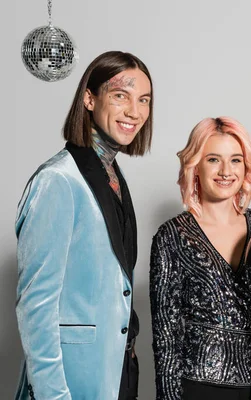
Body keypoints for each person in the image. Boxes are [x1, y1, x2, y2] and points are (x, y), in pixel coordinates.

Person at [14, 51, 153, 399]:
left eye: (144, 100)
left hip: (115, 375)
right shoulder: (58, 180)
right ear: (89, 99)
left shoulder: (112, 174)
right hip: (70, 384)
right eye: (121, 96)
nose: (134, 111)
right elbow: (37, 305)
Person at [150, 117, 251, 400]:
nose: (226, 171)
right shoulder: (172, 236)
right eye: (214, 159)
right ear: (195, 166)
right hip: (197, 389)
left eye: (236, 160)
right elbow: (166, 338)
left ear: (246, 167)